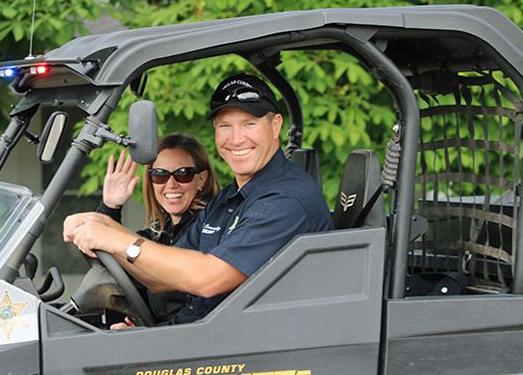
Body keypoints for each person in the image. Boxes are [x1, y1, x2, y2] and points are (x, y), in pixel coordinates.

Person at [64, 73, 332, 326]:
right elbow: (163, 276)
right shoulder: (230, 198)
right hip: (205, 337)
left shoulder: (285, 200)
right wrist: (103, 221)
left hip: (250, 347)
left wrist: (115, 239)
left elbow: (209, 278)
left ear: (275, 126)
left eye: (249, 124)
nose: (236, 139)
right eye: (225, 126)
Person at [95, 134, 219, 323]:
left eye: (183, 174)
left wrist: (152, 332)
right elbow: (106, 262)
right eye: (160, 175)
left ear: (201, 180)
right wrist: (110, 206)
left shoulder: (210, 227)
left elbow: (201, 309)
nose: (171, 184)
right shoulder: (157, 235)